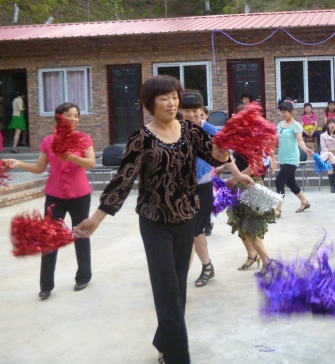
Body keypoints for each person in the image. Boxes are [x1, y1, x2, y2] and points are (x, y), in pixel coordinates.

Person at [73, 75, 254, 364]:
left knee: (177, 290)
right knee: (166, 292)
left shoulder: (190, 131)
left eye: (174, 97)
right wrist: (97, 218)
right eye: (164, 98)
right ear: (150, 103)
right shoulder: (141, 138)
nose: (171, 103)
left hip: (186, 218)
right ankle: (177, 356)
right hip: (155, 222)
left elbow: (216, 156)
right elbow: (123, 179)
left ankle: (163, 340)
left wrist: (229, 157)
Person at [3, 102, 96, 300]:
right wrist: (19, 163)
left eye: (76, 116)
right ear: (58, 117)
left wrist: (72, 158)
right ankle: (46, 286)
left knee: (80, 235)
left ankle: (84, 276)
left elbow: (91, 163)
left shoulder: (84, 138)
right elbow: (39, 168)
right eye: (69, 115)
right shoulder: (48, 141)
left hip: (80, 195)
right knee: (49, 239)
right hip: (55, 196)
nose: (74, 119)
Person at [180, 91, 217, 287]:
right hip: (181, 188)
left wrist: (237, 174)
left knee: (194, 231)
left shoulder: (208, 129)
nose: (191, 114)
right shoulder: (175, 128)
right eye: (187, 110)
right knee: (188, 232)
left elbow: (224, 148)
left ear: (201, 111)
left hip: (203, 186)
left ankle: (183, 276)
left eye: (195, 110)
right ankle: (206, 266)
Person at [225, 150, 275, 275]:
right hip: (242, 186)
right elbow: (238, 160)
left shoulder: (256, 142)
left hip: (250, 185)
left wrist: (236, 177)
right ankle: (253, 255)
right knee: (241, 225)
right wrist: (222, 168)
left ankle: (268, 262)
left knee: (251, 228)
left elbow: (257, 164)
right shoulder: (241, 140)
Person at [273, 99, 314, 215]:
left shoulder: (296, 125)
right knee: (291, 183)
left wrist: (306, 149)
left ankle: (278, 208)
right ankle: (305, 201)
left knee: (279, 181)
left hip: (292, 159)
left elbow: (300, 141)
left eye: (285, 112)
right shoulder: (280, 125)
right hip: (283, 158)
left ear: (291, 112)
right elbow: (276, 140)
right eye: (281, 112)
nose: (283, 114)